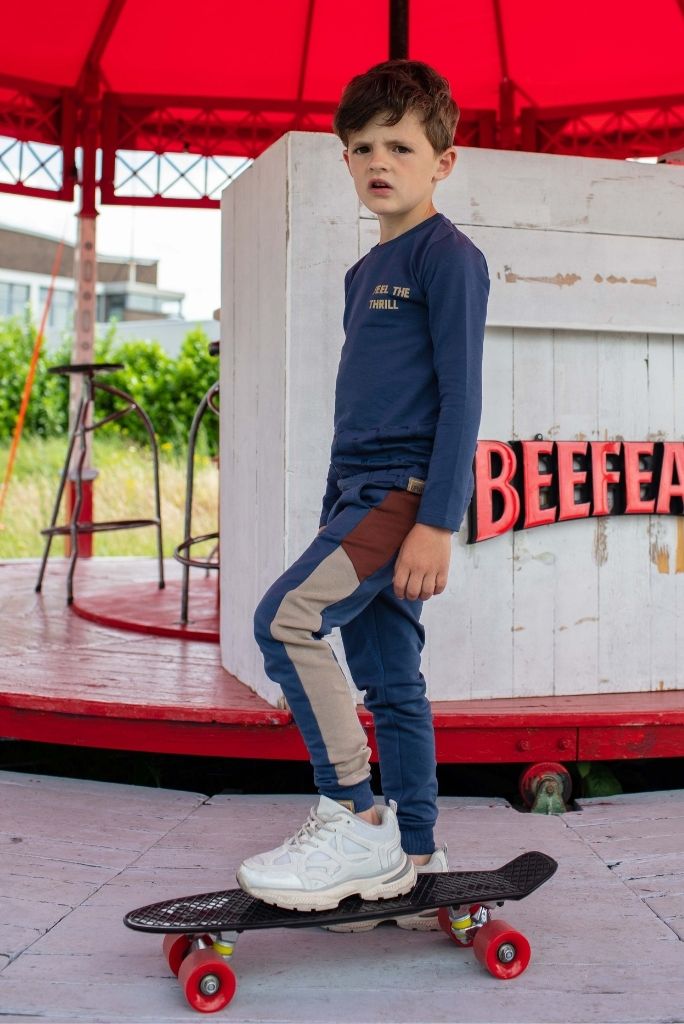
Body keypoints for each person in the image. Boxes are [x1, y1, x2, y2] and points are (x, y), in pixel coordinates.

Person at [237, 59, 490, 930]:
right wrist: (333, 507)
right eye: (362, 147)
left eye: (401, 146)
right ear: (346, 160)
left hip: (403, 494)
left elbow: (462, 397)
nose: (380, 161)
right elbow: (360, 409)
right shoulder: (362, 273)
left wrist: (436, 524)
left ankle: (356, 814)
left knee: (284, 619)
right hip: (357, 493)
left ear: (441, 163)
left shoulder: (449, 258)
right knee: (392, 679)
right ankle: (416, 855)